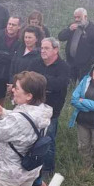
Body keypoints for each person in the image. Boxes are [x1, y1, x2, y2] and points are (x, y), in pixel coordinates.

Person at [34, 37, 71, 178]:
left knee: (48, 140)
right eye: (42, 48)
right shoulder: (36, 63)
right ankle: (34, 167)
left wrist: (40, 81)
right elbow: (29, 80)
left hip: (51, 111)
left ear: (56, 50)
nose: (42, 51)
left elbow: (58, 85)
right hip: (33, 108)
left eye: (46, 48)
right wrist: (46, 84)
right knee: (32, 138)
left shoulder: (64, 67)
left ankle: (47, 171)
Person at [58, 8, 94, 82]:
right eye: (75, 17)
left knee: (82, 86)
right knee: (69, 85)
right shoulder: (72, 27)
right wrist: (69, 30)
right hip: (71, 62)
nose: (76, 19)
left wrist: (89, 63)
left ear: (85, 17)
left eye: (79, 17)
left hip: (85, 66)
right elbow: (61, 37)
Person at [0, 16, 22, 107]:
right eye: (9, 24)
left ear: (19, 27)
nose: (10, 26)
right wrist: (10, 56)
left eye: (13, 25)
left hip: (14, 73)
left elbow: (18, 58)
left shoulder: (21, 39)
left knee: (16, 98)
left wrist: (2, 54)